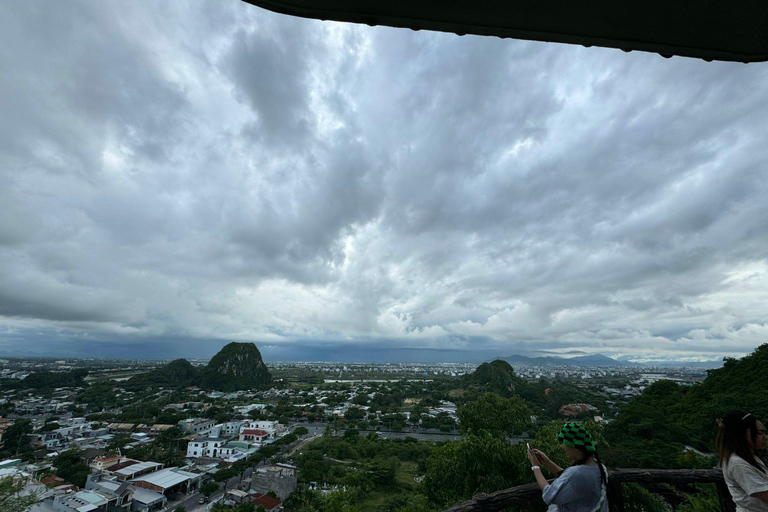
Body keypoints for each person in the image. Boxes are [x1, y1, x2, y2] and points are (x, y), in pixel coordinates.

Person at [527, 422, 608, 512]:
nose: (563, 446)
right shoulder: (598, 467)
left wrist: (535, 466)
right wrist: (547, 462)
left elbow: (548, 495)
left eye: (564, 442)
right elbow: (569, 479)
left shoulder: (577, 473)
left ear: (576, 447)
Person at [717, 411, 768, 511]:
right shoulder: (738, 463)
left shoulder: (751, 457)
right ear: (741, 433)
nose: (765, 438)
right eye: (759, 433)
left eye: (765, 433)